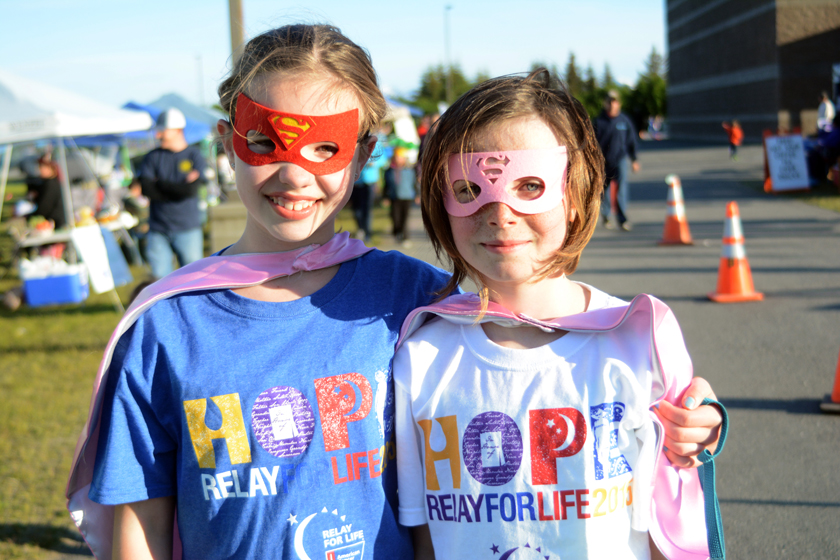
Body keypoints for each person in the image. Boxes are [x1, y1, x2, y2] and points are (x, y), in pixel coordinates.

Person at [66, 27, 722, 560]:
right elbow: (142, 520)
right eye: (264, 142)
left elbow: (544, 352)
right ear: (225, 142)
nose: (293, 173)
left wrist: (689, 409)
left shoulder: (412, 298)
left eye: (325, 148)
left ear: (364, 154)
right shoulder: (165, 326)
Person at [395, 70, 726, 560]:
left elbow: (669, 524)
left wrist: (698, 428)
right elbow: (424, 538)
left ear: (573, 196)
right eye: (468, 189)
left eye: (530, 185)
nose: (499, 212)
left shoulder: (638, 338)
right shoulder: (420, 357)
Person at [138, 107, 206, 279]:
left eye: (162, 131)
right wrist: (178, 188)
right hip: (158, 229)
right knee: (159, 279)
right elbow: (147, 189)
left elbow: (190, 191)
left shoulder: (194, 155)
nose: (157, 135)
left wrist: (159, 184)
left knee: (192, 279)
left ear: (177, 130)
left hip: (187, 228)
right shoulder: (152, 157)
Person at [593, 89, 639, 231]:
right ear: (605, 103)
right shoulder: (599, 121)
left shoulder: (624, 121)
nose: (613, 105)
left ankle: (622, 219)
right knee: (604, 190)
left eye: (615, 102)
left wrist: (634, 159)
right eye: (610, 102)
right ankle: (605, 216)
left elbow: (631, 140)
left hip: (620, 160)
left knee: (621, 189)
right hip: (603, 162)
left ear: (619, 103)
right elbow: (591, 143)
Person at [384, 147, 418, 245]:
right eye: (396, 157)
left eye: (400, 157)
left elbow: (414, 183)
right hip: (394, 196)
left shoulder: (410, 170)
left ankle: (405, 236)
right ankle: (397, 232)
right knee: (395, 217)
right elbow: (386, 185)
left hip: (407, 196)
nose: (398, 159)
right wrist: (385, 197)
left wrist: (417, 194)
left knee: (405, 217)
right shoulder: (389, 170)